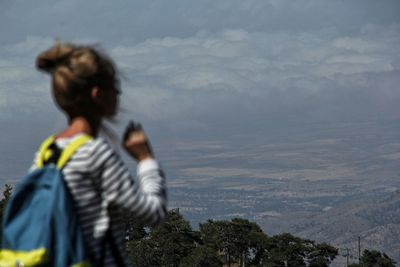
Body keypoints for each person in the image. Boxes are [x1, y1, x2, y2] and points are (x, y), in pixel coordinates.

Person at [34, 43, 167, 266]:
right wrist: (146, 160)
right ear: (98, 95)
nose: (119, 93)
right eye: (115, 87)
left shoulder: (47, 151)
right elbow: (153, 213)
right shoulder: (95, 155)